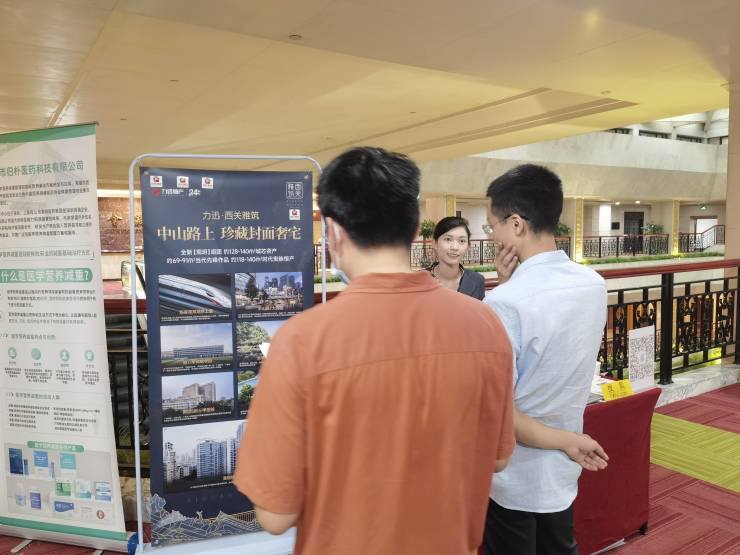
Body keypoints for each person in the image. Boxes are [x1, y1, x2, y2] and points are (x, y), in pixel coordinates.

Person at [233, 146, 516, 555]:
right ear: (416, 228)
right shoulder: (485, 325)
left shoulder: (301, 342)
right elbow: (498, 459)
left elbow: (275, 515)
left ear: (333, 232)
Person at [481, 164, 609, 555]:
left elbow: (499, 412)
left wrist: (504, 291)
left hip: (514, 476)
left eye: (492, 226)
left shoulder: (504, 304)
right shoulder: (593, 284)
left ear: (516, 224)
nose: (493, 236)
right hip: (562, 469)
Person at [426, 216, 485, 299]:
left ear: (468, 246)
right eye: (448, 239)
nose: (455, 247)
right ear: (435, 244)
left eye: (462, 241)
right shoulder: (418, 279)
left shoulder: (477, 280)